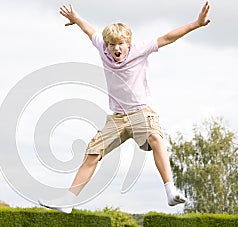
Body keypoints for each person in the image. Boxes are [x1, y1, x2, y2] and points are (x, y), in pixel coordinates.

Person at [39, 2, 211, 213]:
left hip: (141, 112)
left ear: (128, 43)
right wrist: (76, 18)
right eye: (112, 44)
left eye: (120, 43)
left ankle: (170, 191)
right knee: (92, 152)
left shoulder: (140, 49)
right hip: (118, 117)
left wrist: (196, 23)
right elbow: (89, 30)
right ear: (107, 45)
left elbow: (168, 37)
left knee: (155, 138)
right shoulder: (102, 48)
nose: (116, 49)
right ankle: (68, 200)